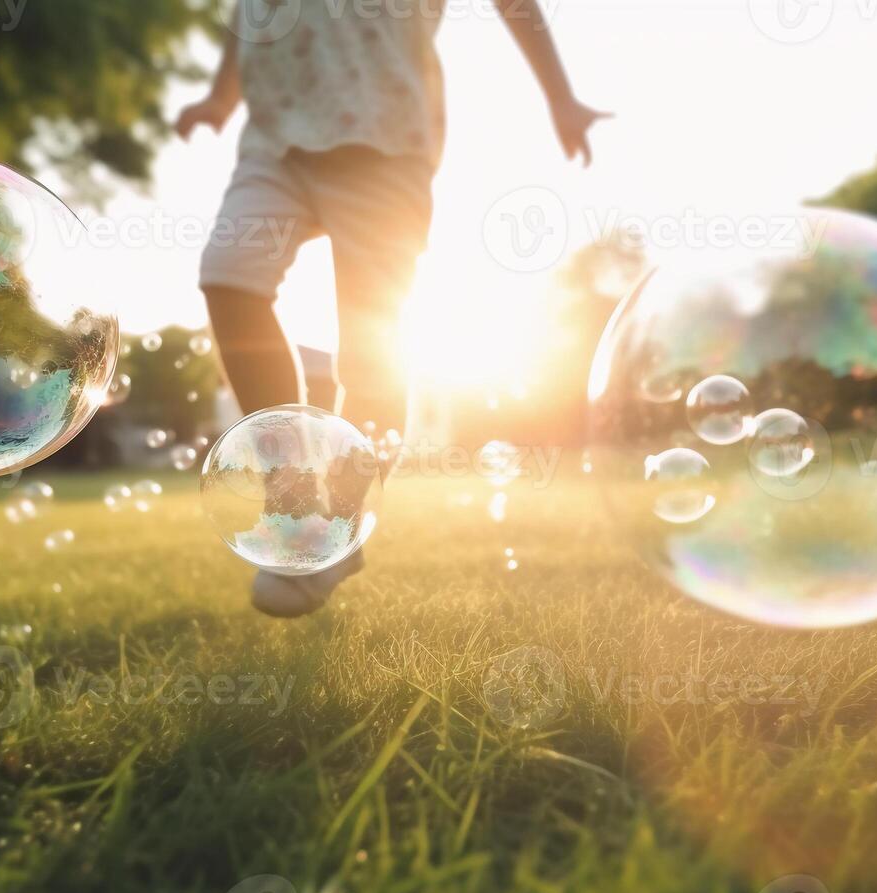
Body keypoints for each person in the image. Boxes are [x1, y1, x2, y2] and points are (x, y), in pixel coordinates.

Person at [177, 0, 607, 616]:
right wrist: (222, 98)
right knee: (228, 278)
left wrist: (560, 97)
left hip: (385, 141)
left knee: (371, 348)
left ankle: (339, 527)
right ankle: (293, 488)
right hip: (276, 140)